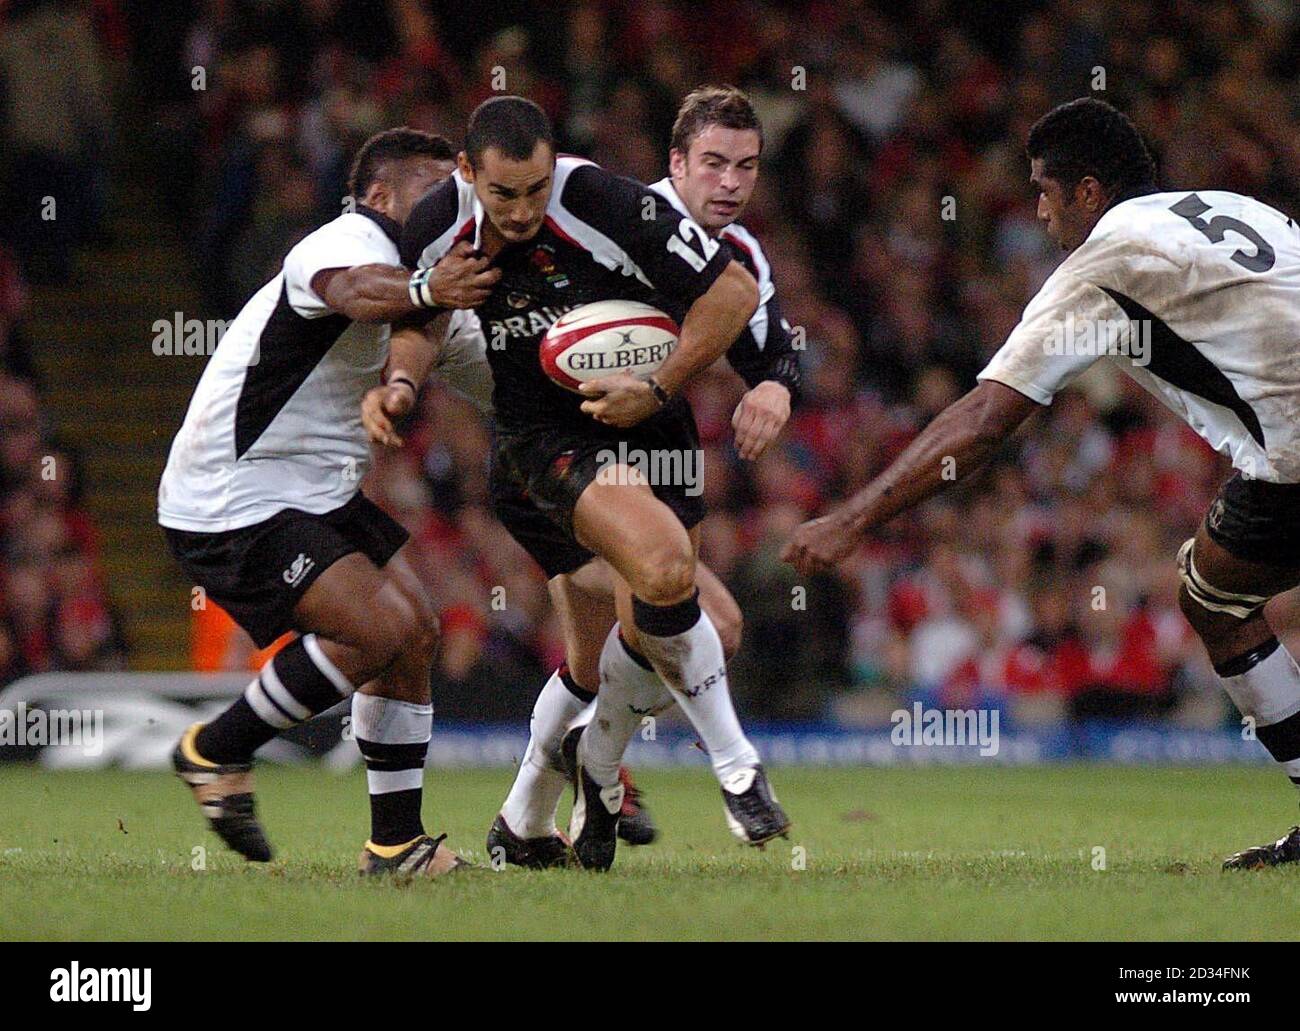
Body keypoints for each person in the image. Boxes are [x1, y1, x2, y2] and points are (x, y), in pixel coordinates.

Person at [782, 96, 1300, 871]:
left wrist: (853, 518)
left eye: (1044, 192)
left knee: (1212, 594)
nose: (1038, 211)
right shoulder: (1231, 208)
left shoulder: (1104, 263)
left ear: (1087, 192)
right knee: (1210, 589)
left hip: (1292, 457)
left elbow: (986, 419)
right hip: (1281, 454)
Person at [390, 95, 789, 870]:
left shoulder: (604, 200)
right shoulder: (436, 225)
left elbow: (735, 294)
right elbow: (419, 323)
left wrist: (664, 385)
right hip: (546, 441)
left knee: (616, 647)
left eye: (537, 188)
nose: (522, 208)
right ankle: (737, 766)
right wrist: (402, 385)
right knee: (674, 578)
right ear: (468, 172)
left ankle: (544, 805)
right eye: (503, 193)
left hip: (653, 430)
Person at [158, 128, 501, 878]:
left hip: (312, 490)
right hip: (234, 489)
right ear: (380, 196)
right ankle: (214, 748)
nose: (456, 205)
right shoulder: (344, 239)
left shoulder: (431, 287)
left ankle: (396, 847)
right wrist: (427, 290)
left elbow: (499, 376)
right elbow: (353, 293)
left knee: (413, 633)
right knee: (376, 628)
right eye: (436, 188)